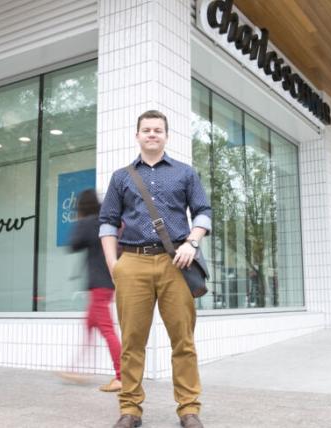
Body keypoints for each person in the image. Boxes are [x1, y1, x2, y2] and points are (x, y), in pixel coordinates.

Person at [99, 110, 211, 428]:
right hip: (132, 262)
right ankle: (130, 410)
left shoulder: (185, 173)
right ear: (137, 135)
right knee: (132, 341)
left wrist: (192, 242)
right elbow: (107, 220)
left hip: (176, 261)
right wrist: (113, 264)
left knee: (183, 340)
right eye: (146, 129)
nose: (152, 134)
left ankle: (189, 409)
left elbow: (203, 211)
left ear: (166, 135)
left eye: (157, 130)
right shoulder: (121, 177)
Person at [57, 189, 122, 392]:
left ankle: (122, 376)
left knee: (107, 331)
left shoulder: (88, 222)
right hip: (106, 284)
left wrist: (79, 220)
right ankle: (78, 369)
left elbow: (73, 244)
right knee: (89, 325)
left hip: (98, 285)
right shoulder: (104, 222)